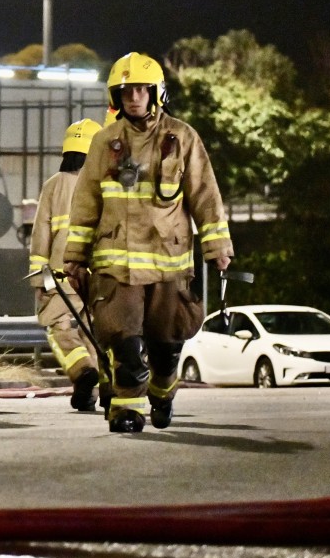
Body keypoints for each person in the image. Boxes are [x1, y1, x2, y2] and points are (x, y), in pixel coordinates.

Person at [64, 52, 234, 433]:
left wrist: (218, 247)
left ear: (157, 93)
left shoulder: (182, 137)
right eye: (126, 90)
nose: (134, 97)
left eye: (141, 89)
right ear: (116, 96)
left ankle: (163, 387)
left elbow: (205, 196)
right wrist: (74, 257)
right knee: (122, 339)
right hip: (116, 266)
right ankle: (127, 410)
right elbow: (86, 201)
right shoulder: (104, 142)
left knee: (165, 344)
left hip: (167, 262)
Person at [28, 118, 104, 413]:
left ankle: (82, 372)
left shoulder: (53, 186)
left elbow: (41, 237)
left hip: (59, 277)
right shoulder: (102, 187)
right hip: (97, 275)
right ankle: (95, 391)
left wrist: (40, 282)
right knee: (94, 333)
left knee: (58, 328)